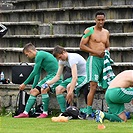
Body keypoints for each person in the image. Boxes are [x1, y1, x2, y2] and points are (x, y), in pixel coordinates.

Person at [79, 11, 115, 119]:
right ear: (95, 20)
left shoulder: (106, 32)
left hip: (103, 61)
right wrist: (95, 52)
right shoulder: (89, 30)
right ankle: (89, 111)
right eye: (98, 20)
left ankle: (111, 110)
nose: (100, 22)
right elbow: (81, 45)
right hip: (93, 60)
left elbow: (107, 46)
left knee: (107, 86)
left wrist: (106, 52)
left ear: (105, 20)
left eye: (102, 20)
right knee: (93, 86)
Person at [14, 43, 62, 118]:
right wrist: (33, 87)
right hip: (49, 77)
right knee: (34, 91)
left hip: (55, 77)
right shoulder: (39, 57)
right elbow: (37, 74)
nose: (27, 57)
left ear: (30, 51)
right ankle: (25, 113)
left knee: (43, 89)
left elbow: (34, 72)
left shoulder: (39, 55)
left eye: (27, 55)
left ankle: (45, 113)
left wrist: (24, 83)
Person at [46, 45, 87, 113]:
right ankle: (64, 112)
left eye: (60, 57)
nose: (60, 59)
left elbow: (75, 77)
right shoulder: (62, 61)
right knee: (58, 89)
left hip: (84, 76)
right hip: (76, 76)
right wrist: (47, 83)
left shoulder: (72, 59)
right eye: (58, 58)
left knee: (69, 86)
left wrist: (70, 91)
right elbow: (58, 76)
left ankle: (71, 112)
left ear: (64, 52)